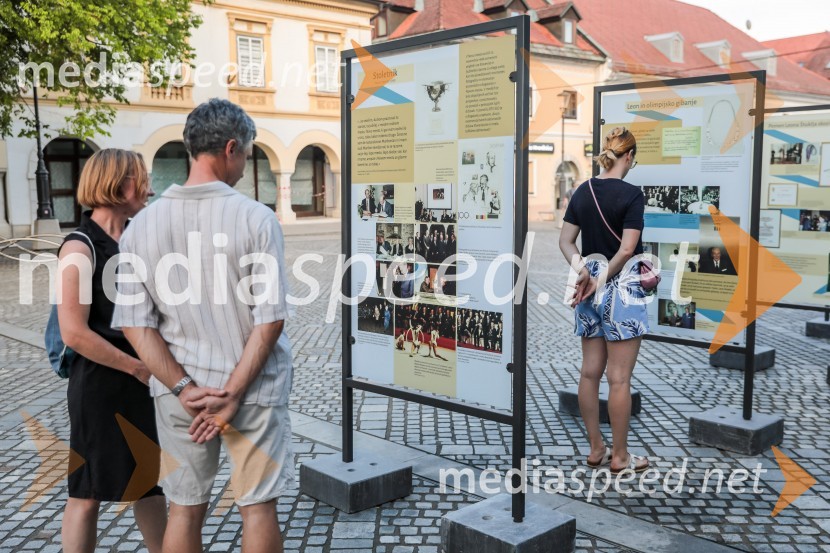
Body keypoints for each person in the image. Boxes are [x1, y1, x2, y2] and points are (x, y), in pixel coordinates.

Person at [113, 99, 294, 553]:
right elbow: (269, 316)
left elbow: (136, 326)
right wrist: (231, 392)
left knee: (185, 508)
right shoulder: (255, 217)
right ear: (230, 148)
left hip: (180, 396)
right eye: (247, 154)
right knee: (257, 506)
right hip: (253, 389)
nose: (244, 164)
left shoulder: (140, 227)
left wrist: (182, 387)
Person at [58, 149, 166, 553]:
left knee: (147, 482)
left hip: (139, 382)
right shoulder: (79, 247)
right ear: (119, 185)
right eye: (141, 179)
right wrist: (136, 368)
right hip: (101, 387)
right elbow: (74, 332)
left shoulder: (138, 235)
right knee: (86, 492)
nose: (149, 188)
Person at [559, 126, 650, 474]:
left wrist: (584, 271)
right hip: (621, 288)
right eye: (634, 159)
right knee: (619, 378)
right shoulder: (632, 195)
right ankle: (621, 457)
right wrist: (602, 278)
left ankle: (596, 448)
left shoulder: (583, 191)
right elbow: (628, 249)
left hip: (587, 289)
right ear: (628, 157)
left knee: (589, 372)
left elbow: (566, 241)